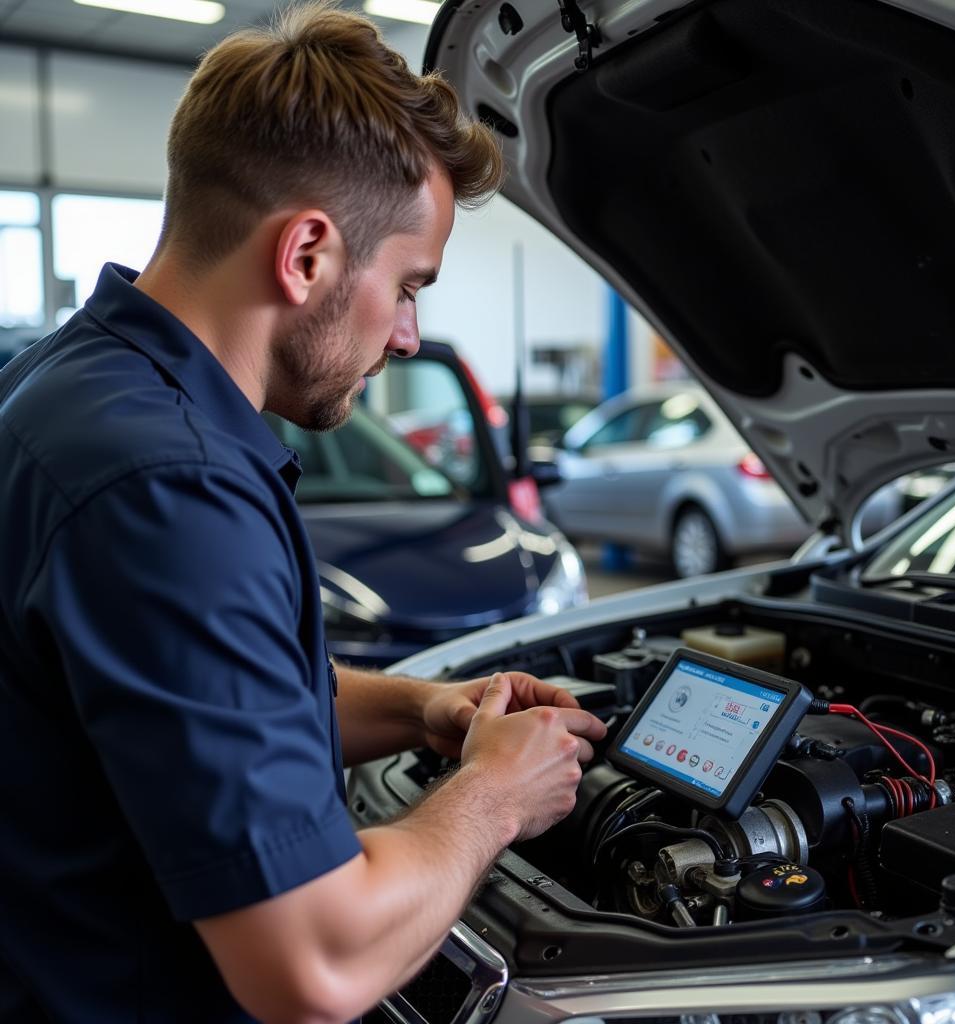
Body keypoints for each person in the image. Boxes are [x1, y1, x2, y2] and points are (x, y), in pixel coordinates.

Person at [0, 4, 606, 1021]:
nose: (410, 335)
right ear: (308, 255)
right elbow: (313, 964)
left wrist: (425, 709)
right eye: (409, 286)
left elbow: (213, 705)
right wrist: (493, 799)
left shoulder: (71, 385)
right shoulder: (171, 488)